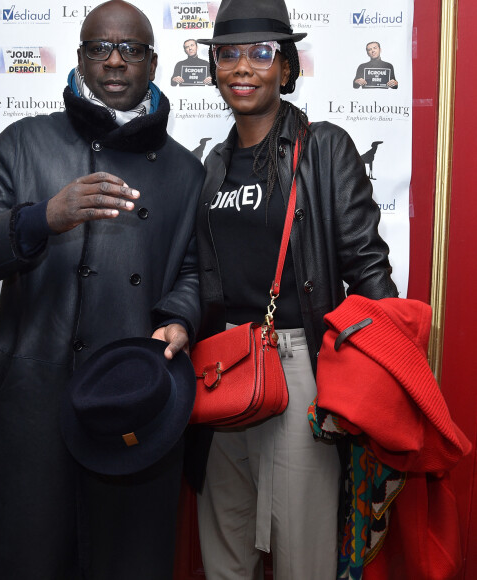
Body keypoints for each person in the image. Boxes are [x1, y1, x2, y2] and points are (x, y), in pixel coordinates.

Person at [0, 1, 204, 578]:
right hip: (35, 402)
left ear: (154, 62)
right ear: (81, 57)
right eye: (100, 48)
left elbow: (193, 269)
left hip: (132, 398)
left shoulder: (187, 172)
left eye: (131, 50)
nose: (115, 61)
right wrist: (43, 218)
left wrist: (181, 317)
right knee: (29, 557)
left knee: (125, 559)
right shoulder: (23, 143)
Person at [195, 0, 398, 579]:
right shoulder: (212, 165)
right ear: (213, 69)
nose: (242, 67)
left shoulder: (325, 148)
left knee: (301, 557)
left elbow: (366, 266)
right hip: (223, 367)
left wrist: (386, 372)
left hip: (297, 361)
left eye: (261, 53)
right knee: (224, 551)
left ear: (286, 68)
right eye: (228, 54)